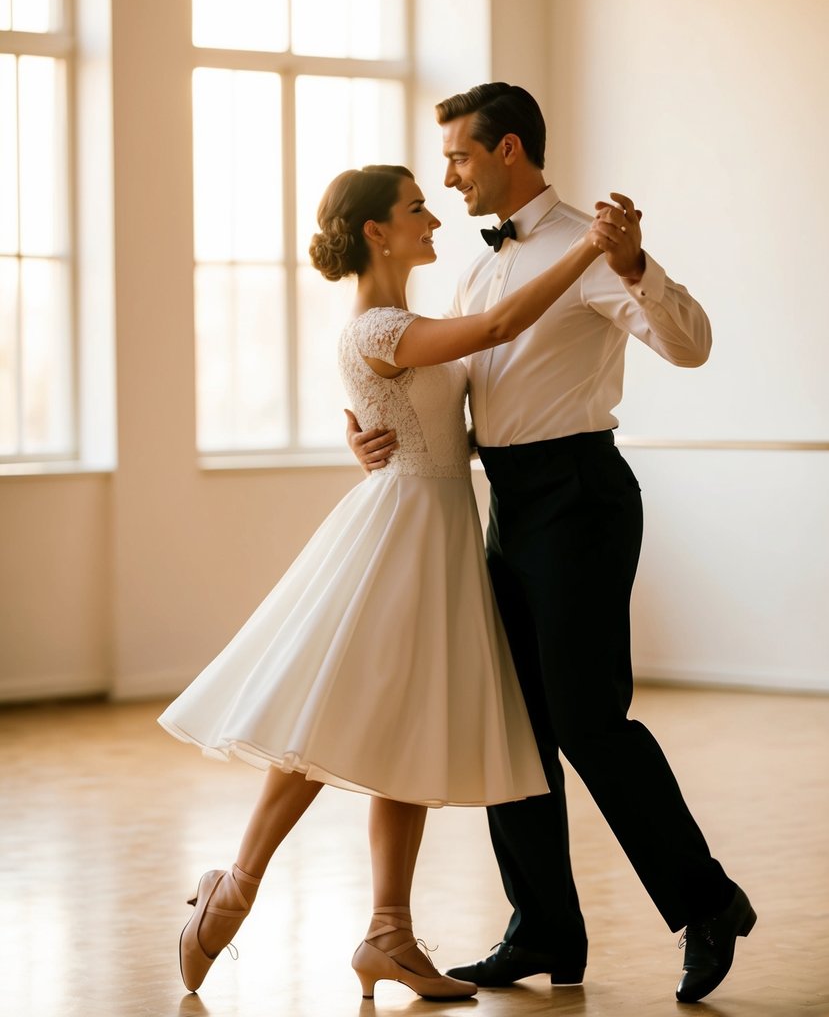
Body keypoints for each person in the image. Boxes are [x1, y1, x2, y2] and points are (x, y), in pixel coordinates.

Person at [158, 163, 607, 1001]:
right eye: (414, 208)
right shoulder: (378, 327)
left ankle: (388, 934)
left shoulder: (404, 324)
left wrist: (370, 432)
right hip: (399, 535)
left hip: (436, 529)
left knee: (407, 727)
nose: (432, 218)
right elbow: (502, 322)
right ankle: (235, 887)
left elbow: (442, 419)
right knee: (330, 718)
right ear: (376, 231)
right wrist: (591, 245)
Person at [347, 86, 756, 1006]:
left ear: (509, 150)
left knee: (585, 721)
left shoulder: (591, 244)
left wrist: (637, 261)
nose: (446, 176)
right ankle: (543, 927)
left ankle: (706, 902)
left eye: (457, 157)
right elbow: (449, 382)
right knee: (512, 723)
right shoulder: (473, 267)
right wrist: (369, 429)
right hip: (506, 503)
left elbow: (688, 346)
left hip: (580, 496)